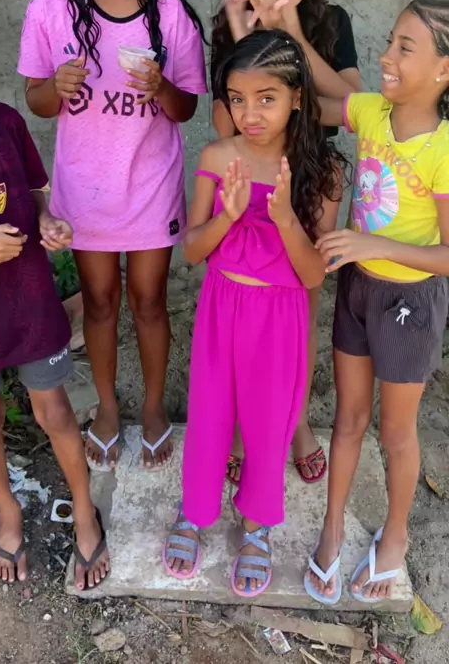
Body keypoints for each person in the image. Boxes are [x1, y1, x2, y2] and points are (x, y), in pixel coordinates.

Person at [18, 0, 207, 473]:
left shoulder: (168, 11)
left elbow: (185, 107)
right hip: (87, 189)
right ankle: (105, 406)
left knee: (149, 301)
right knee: (99, 302)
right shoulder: (51, 7)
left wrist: (160, 88)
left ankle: (151, 408)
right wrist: (57, 87)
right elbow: (36, 100)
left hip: (149, 186)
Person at [162, 30, 346, 598]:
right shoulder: (218, 157)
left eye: (267, 98)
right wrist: (228, 215)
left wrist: (285, 217)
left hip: (280, 317)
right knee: (210, 413)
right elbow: (192, 252)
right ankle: (194, 511)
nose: (250, 114)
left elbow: (313, 275)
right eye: (238, 100)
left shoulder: (323, 171)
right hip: (222, 306)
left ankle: (258, 525)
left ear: (297, 97)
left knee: (269, 423)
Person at [304, 0, 449, 605]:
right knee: (348, 419)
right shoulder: (371, 112)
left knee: (395, 433)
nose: (386, 56)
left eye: (404, 47)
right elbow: (313, 96)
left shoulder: (443, 150)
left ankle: (395, 537)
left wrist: (370, 243)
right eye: (390, 41)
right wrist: (284, 27)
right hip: (358, 289)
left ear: (443, 70)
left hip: (410, 303)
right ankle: (333, 527)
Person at [211, 0, 361, 487]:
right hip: (251, 182)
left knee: (303, 306)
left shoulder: (333, 21)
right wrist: (246, 41)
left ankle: (295, 422)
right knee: (247, 309)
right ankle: (242, 428)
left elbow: (349, 108)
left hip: (314, 179)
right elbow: (226, 127)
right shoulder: (230, 20)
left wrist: (294, 33)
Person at [0, 48, 110, 590]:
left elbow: (33, 191)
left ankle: (84, 511)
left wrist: (48, 220)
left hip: (27, 298)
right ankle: (7, 511)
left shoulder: (5, 122)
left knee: (55, 412)